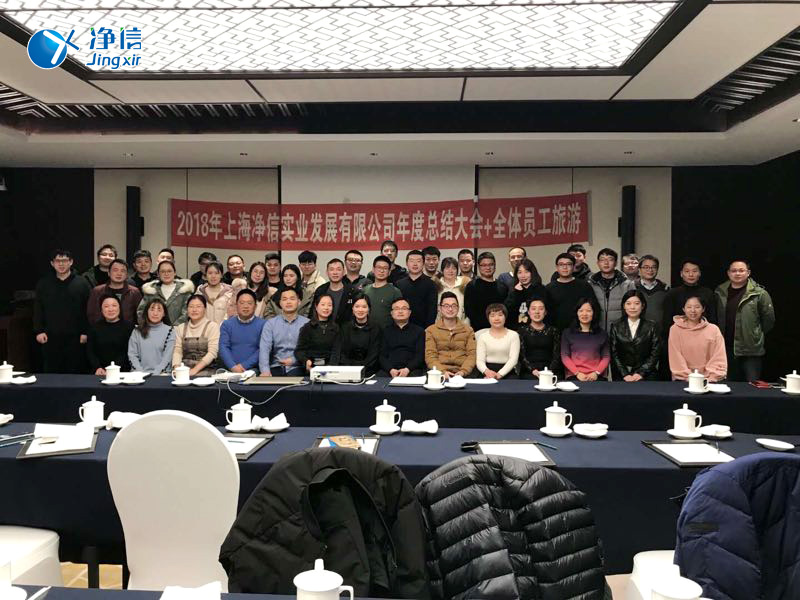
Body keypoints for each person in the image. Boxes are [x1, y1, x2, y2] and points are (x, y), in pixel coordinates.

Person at [714, 260, 775, 382]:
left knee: (752, 385)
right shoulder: (720, 292)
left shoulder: (759, 293)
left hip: (750, 349)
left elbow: (769, 320)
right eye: (734, 271)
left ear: (748, 273)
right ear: (728, 273)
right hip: (726, 348)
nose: (737, 273)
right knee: (727, 385)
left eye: (741, 270)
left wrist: (755, 334)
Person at [34, 249, 91, 373]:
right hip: (50, 336)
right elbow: (38, 309)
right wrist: (39, 331)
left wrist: (85, 332)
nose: (61, 264)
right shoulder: (44, 283)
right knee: (52, 371)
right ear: (52, 263)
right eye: (57, 261)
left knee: (75, 371)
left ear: (71, 262)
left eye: (64, 260)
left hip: (76, 337)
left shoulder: (82, 283)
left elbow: (87, 309)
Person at [668, 295, 727, 382]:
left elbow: (719, 356)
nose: (693, 310)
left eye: (697, 307)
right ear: (683, 309)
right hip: (683, 379)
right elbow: (675, 357)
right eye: (689, 307)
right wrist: (689, 377)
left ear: (703, 309)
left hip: (709, 380)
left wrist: (710, 377)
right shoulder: (675, 329)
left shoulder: (713, 329)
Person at [609, 290, 661, 381]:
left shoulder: (652, 326)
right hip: (621, 375)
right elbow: (614, 353)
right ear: (624, 306)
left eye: (637, 303)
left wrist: (641, 373)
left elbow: (655, 353)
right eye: (628, 303)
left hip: (647, 375)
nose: (632, 307)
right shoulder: (616, 326)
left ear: (643, 306)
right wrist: (625, 374)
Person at [425, 292, 477, 379]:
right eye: (446, 306)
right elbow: (430, 356)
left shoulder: (468, 330)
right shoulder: (431, 330)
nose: (450, 309)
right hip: (439, 373)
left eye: (454, 306)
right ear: (440, 308)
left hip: (463, 373)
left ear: (458, 308)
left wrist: (463, 371)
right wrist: (442, 371)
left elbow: (472, 355)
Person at [259, 288, 310, 375]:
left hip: (299, 367)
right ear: (280, 303)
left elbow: (310, 349)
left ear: (299, 302)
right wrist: (265, 371)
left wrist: (294, 360)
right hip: (276, 367)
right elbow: (264, 349)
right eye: (285, 299)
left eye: (292, 299)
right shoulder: (271, 324)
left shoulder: (307, 323)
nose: (288, 302)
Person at [331, 294, 382, 376]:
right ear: (352, 308)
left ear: (369, 309)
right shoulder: (344, 328)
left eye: (364, 307)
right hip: (347, 371)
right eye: (357, 306)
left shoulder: (376, 328)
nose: (360, 310)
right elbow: (340, 353)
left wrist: (361, 369)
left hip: (370, 371)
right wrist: (351, 369)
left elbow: (374, 355)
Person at [560, 298, 610, 381]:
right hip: (574, 375)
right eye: (581, 311)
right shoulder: (567, 333)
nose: (584, 314)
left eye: (588, 311)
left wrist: (596, 373)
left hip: (596, 376)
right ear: (577, 313)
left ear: (594, 313)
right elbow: (565, 356)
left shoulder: (602, 334)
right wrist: (577, 373)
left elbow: (606, 356)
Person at [662, 259, 718, 330]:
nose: (691, 274)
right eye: (687, 271)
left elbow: (712, 319)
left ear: (700, 273)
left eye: (694, 271)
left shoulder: (708, 293)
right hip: (679, 333)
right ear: (681, 274)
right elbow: (667, 320)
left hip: (703, 333)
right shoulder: (673, 294)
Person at [172, 294, 220, 377]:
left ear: (205, 309)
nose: (194, 310)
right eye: (191, 307)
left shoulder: (212, 326)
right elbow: (177, 351)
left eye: (198, 306)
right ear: (187, 309)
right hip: (184, 369)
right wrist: (177, 369)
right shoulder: (181, 327)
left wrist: (194, 371)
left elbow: (212, 353)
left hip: (207, 369)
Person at [588, 248, 636, 330]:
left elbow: (634, 309)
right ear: (598, 263)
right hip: (596, 331)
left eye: (610, 259)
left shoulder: (627, 284)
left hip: (620, 330)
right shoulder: (591, 284)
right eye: (602, 260)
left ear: (616, 263)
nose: (606, 263)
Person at [219, 289, 266, 373]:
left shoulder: (264, 325)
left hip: (253, 369)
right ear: (236, 305)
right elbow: (223, 347)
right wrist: (232, 366)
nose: (245, 306)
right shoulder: (227, 324)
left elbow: (263, 349)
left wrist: (243, 366)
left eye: (249, 303)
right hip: (229, 369)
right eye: (242, 303)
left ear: (255, 306)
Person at [138, 260, 195, 326]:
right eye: (163, 271)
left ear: (175, 273)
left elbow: (187, 312)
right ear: (158, 274)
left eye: (169, 271)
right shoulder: (151, 290)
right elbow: (141, 312)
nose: (166, 274)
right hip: (153, 329)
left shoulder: (184, 290)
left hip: (179, 330)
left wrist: (172, 329)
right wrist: (148, 327)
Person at [378, 298, 426, 377]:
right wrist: (390, 369)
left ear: (409, 312)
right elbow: (382, 356)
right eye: (396, 308)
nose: (400, 311)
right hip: (390, 371)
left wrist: (407, 369)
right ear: (391, 313)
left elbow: (420, 355)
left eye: (404, 308)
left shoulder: (419, 331)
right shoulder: (385, 331)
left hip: (412, 370)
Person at [87, 295, 134, 375]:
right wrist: (97, 367)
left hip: (123, 371)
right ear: (101, 310)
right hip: (99, 372)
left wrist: (112, 368)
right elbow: (90, 351)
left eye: (114, 305)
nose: (110, 309)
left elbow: (128, 351)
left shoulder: (129, 327)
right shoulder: (94, 327)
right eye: (106, 306)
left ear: (119, 308)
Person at [545, 253, 593, 331]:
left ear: (573, 267)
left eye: (568, 264)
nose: (565, 267)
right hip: (556, 331)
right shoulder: (549, 288)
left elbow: (593, 307)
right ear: (557, 267)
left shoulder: (584, 286)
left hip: (580, 330)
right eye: (561, 264)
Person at [127, 297, 176, 375]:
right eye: (152, 309)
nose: (155, 313)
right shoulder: (137, 331)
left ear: (164, 314)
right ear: (147, 312)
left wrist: (155, 374)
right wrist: (140, 373)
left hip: (161, 374)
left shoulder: (170, 331)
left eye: (159, 310)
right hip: (138, 374)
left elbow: (167, 357)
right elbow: (132, 355)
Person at [87, 259, 142, 325]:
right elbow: (91, 314)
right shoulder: (97, 291)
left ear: (127, 275)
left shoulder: (134, 292)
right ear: (109, 273)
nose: (119, 273)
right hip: (101, 329)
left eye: (122, 271)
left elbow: (140, 315)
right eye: (115, 270)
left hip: (128, 330)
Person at [295, 294, 339, 373]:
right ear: (316, 306)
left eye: (329, 305)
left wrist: (331, 366)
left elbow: (336, 351)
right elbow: (299, 351)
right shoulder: (307, 327)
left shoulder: (336, 328)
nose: (326, 308)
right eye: (323, 304)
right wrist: (306, 361)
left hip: (330, 368)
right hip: (311, 367)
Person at [518, 299, 561, 379]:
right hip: (528, 371)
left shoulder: (553, 330)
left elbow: (557, 354)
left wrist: (549, 370)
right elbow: (521, 355)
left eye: (541, 309)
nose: (537, 312)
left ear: (545, 312)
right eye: (533, 309)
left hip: (550, 371)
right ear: (528, 312)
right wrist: (532, 370)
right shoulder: (522, 331)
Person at [464, 252, 506, 332]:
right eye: (484, 265)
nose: (488, 268)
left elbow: (505, 310)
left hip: (500, 330)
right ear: (478, 267)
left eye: (491, 264)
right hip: (479, 331)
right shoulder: (472, 286)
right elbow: (469, 311)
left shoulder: (502, 286)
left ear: (495, 266)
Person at [476, 303, 520, 380]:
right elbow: (479, 361)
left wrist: (500, 374)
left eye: (500, 315)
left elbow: (513, 360)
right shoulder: (482, 337)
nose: (496, 318)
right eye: (492, 315)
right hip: (487, 371)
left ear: (505, 317)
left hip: (508, 372)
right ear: (488, 318)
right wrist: (487, 372)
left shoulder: (513, 335)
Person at [396, 250, 438, 328]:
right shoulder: (399, 284)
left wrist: (428, 329)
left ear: (423, 264)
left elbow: (432, 310)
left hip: (424, 328)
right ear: (406, 263)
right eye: (411, 261)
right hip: (402, 327)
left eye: (418, 261)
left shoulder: (431, 284)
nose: (415, 264)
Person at [504, 258, 547, 331]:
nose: (523, 276)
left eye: (526, 272)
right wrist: (516, 293)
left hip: (536, 330)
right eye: (519, 272)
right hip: (516, 330)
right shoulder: (513, 290)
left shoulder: (540, 289)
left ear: (532, 273)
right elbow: (507, 311)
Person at [362, 256, 403, 329]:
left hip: (387, 332)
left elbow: (399, 316)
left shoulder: (395, 292)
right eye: (379, 267)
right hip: (367, 331)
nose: (381, 271)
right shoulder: (365, 290)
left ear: (389, 272)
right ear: (373, 270)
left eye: (385, 268)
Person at [312, 258, 356, 325]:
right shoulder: (320, 290)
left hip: (346, 330)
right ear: (327, 272)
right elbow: (313, 313)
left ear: (344, 272)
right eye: (331, 269)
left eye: (338, 269)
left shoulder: (352, 291)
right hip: (323, 328)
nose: (335, 273)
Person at [636, 255, 670, 329]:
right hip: (637, 331)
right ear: (639, 269)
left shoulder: (665, 289)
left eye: (653, 267)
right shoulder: (633, 288)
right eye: (646, 267)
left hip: (660, 331)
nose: (650, 270)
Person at [435, 257, 468, 322]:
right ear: (442, 270)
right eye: (447, 268)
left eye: (454, 268)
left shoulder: (464, 285)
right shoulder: (436, 286)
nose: (450, 271)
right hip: (440, 325)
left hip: (461, 324)